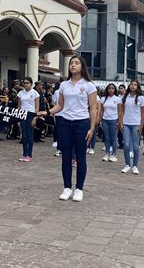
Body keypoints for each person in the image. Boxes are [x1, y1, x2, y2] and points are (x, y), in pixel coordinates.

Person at [38, 56, 97, 202]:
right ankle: (67, 187)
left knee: (80, 157)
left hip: (81, 123)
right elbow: (60, 105)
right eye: (71, 63)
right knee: (66, 156)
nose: (73, 65)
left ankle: (79, 189)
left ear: (82, 66)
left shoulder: (89, 85)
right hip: (65, 123)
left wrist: (92, 128)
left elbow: (93, 109)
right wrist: (47, 112)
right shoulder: (64, 85)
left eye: (76, 63)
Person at [119, 80, 144, 174]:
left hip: (136, 124)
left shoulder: (141, 98)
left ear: (137, 86)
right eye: (131, 84)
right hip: (126, 123)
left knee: (135, 146)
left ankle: (135, 166)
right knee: (126, 145)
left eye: (135, 85)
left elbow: (143, 113)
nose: (133, 86)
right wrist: (120, 123)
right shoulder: (124, 97)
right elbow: (121, 111)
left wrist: (141, 125)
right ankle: (127, 164)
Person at [17, 77, 39, 162]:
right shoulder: (20, 93)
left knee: (30, 136)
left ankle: (29, 154)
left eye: (27, 83)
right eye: (24, 83)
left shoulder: (35, 93)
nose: (25, 84)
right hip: (23, 114)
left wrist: (35, 118)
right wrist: (18, 118)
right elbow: (19, 106)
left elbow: (37, 107)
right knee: (24, 136)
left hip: (31, 114)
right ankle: (24, 154)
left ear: (31, 83)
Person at [99, 83, 121, 162]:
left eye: (112, 88)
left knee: (114, 138)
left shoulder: (118, 99)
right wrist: (100, 120)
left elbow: (119, 111)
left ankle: (114, 154)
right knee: (107, 138)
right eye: (109, 88)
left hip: (114, 119)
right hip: (105, 120)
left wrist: (119, 121)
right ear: (107, 89)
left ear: (115, 90)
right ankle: (107, 153)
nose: (111, 90)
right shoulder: (103, 98)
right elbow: (101, 110)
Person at [87, 91, 102, 155]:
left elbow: (99, 108)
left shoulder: (97, 97)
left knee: (93, 131)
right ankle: (87, 146)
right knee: (86, 131)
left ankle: (92, 147)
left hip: (93, 116)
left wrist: (98, 117)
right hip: (85, 116)